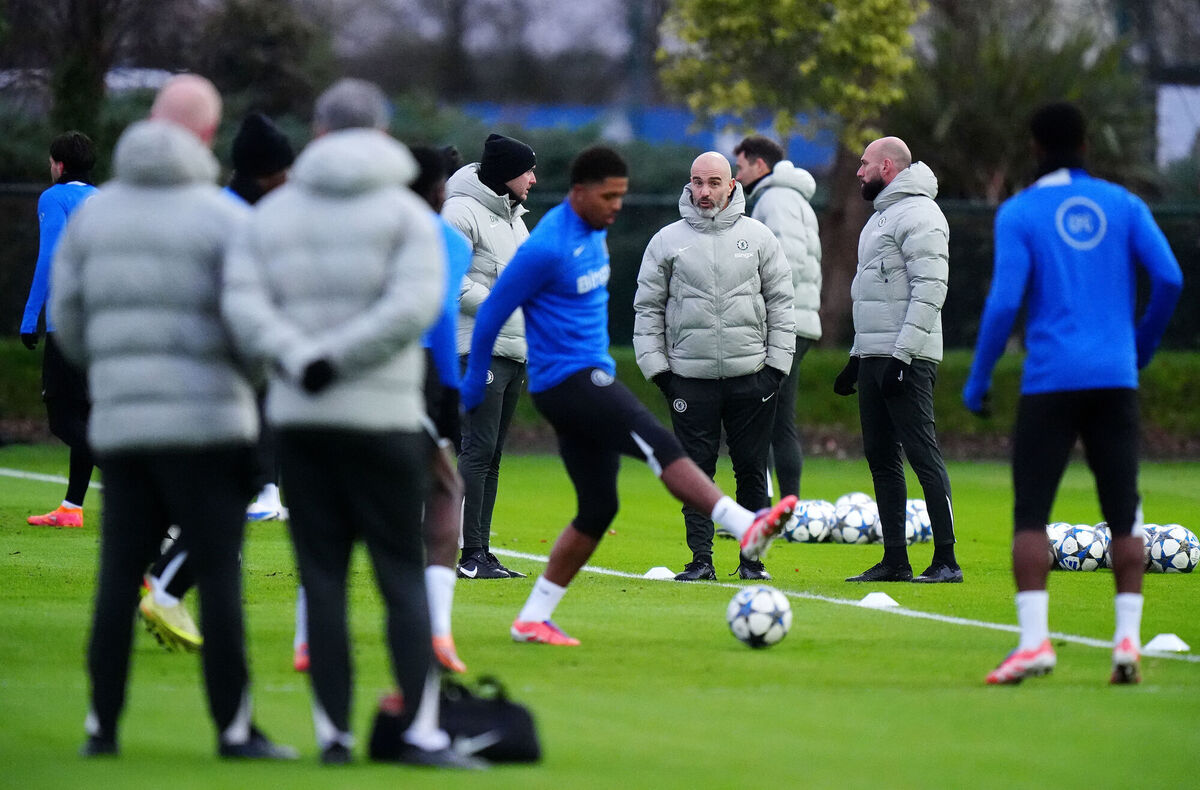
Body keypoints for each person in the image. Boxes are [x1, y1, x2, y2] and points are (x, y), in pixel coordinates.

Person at [222, 78, 475, 768]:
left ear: (321, 133)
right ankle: (419, 733)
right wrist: (341, 358)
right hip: (386, 419)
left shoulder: (272, 214)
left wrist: (302, 359)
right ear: (383, 134)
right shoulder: (408, 216)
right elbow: (415, 307)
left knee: (324, 579)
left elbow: (242, 307)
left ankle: (333, 736)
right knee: (400, 575)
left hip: (302, 422)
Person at [461, 146, 798, 647]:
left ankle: (533, 617)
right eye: (608, 196)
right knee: (662, 445)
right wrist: (469, 388)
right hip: (569, 382)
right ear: (579, 192)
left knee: (598, 509)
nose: (617, 206)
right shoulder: (548, 245)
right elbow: (490, 315)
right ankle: (744, 526)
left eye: (622, 195)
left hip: (587, 376)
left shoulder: (594, 231)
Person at [51, 73, 295, 760]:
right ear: (209, 136)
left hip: (125, 425)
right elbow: (254, 333)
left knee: (115, 576)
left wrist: (117, 372)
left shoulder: (97, 213)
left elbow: (71, 322)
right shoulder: (225, 220)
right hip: (209, 426)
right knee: (218, 579)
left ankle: (102, 726)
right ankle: (233, 729)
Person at [964, 103, 1183, 685]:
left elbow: (1005, 301)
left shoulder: (1020, 211)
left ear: (1035, 148)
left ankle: (1035, 644)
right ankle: (1127, 644)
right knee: (1124, 514)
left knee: (1032, 515)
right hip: (1116, 377)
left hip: (1051, 381)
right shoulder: (1125, 204)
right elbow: (1170, 279)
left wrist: (979, 377)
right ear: (1086, 144)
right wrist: (1139, 348)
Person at [139, 111, 297, 656]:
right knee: (229, 493)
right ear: (271, 173)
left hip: (188, 376)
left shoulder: (218, 213)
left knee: (217, 491)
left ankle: (162, 577)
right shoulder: (239, 226)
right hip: (221, 381)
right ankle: (165, 584)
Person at [633, 151, 795, 581]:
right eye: (697, 182)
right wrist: (661, 373)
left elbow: (782, 304)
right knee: (695, 472)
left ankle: (752, 561)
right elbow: (646, 309)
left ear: (730, 185)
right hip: (689, 379)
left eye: (713, 183)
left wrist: (776, 368)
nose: (704, 191)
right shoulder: (666, 240)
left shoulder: (759, 237)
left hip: (753, 376)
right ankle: (701, 560)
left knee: (751, 469)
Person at [834, 136, 961, 584]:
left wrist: (903, 354)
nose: (858, 171)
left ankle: (946, 560)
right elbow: (873, 296)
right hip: (875, 356)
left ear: (887, 167)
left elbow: (931, 290)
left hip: (907, 357)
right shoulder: (882, 217)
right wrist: (857, 357)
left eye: (864, 164)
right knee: (881, 457)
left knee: (923, 454)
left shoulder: (922, 214)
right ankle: (895, 560)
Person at [442, 133, 537, 580]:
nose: (533, 180)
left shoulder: (516, 219)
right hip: (476, 350)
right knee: (476, 451)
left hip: (513, 349)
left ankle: (479, 550)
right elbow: (452, 282)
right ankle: (466, 554)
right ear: (505, 174)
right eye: (527, 171)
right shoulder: (459, 212)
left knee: (493, 454)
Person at [734, 135, 822, 505]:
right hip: (797, 320)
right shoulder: (789, 196)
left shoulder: (775, 198)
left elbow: (787, 259)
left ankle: (765, 510)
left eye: (739, 167)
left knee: (762, 419)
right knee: (777, 419)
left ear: (759, 165)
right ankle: (782, 509)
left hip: (781, 323)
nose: (736, 176)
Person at [21, 131, 98, 528]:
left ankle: (142, 480)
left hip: (68, 322)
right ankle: (71, 507)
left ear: (60, 164)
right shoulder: (104, 200)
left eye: (52, 162)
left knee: (61, 419)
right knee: (88, 413)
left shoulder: (54, 197)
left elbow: (50, 258)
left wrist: (29, 315)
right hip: (104, 322)